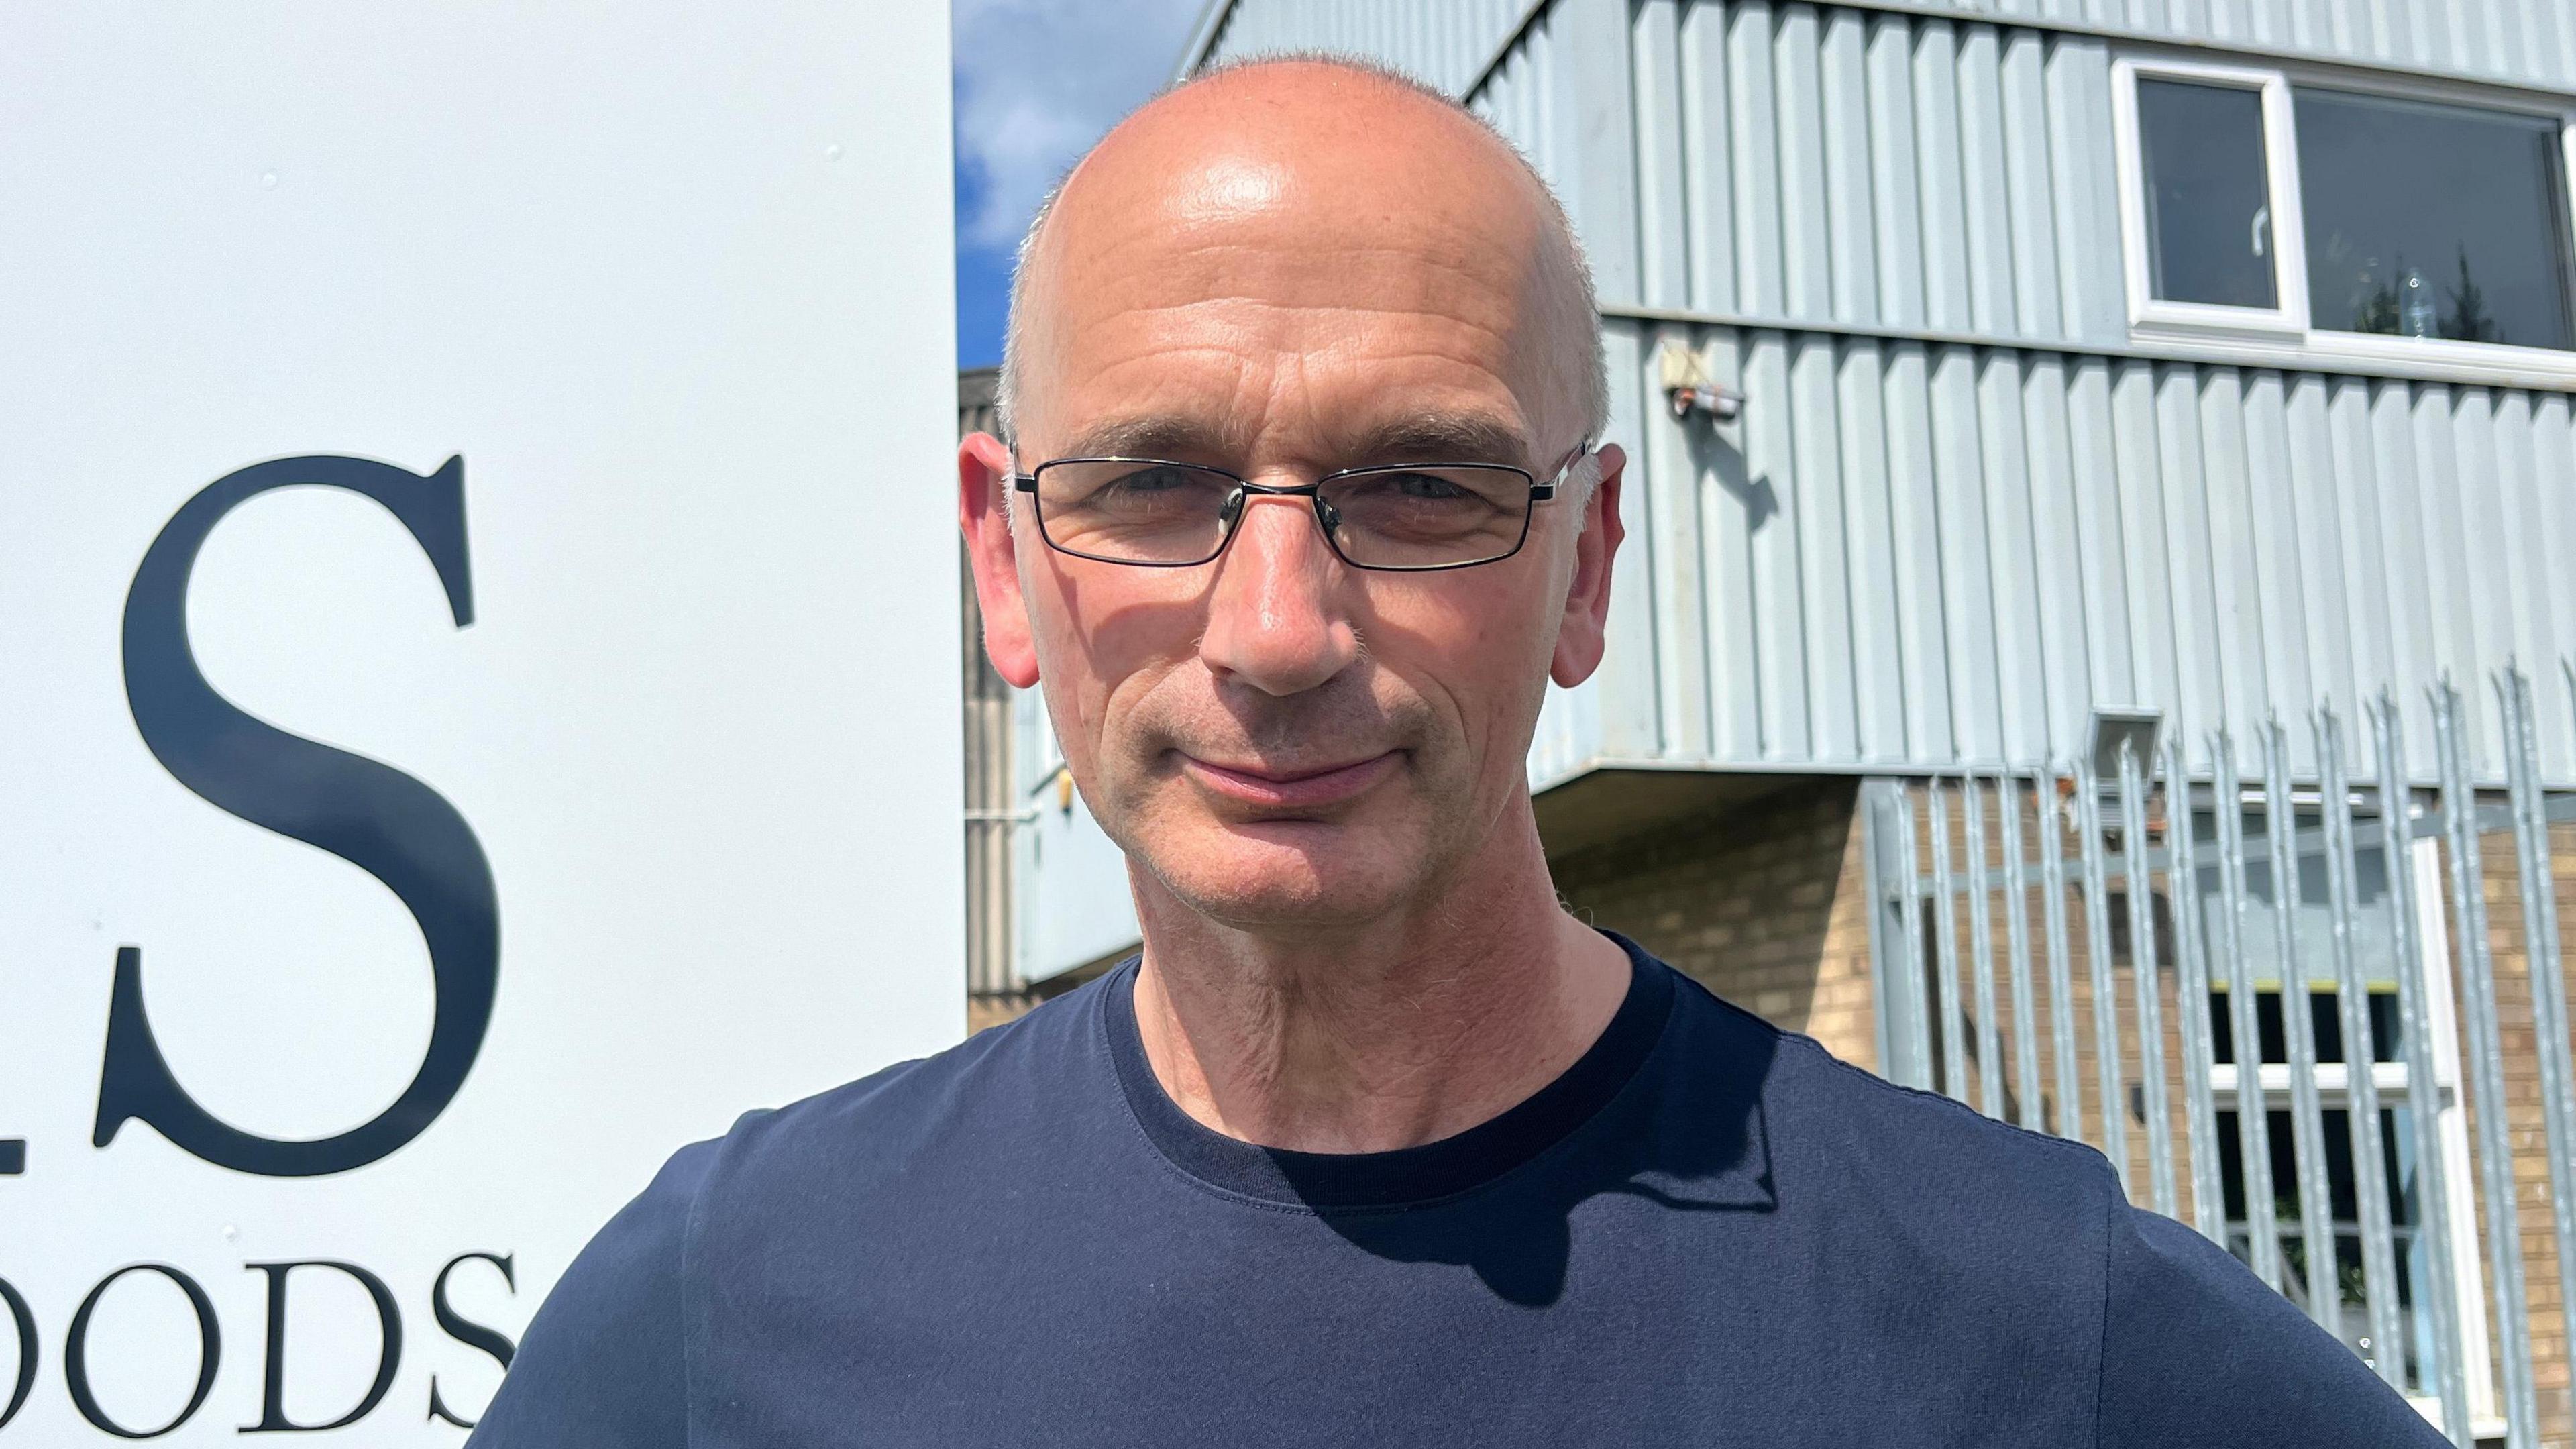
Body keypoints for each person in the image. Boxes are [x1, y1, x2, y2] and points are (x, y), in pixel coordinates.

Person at [470, 56, 2442, 1447]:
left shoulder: (2038, 1330)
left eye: (1419, 486)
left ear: (1584, 567)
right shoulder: (722, 1319)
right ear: (1008, 561)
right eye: (1155, 484)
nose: (1273, 632)